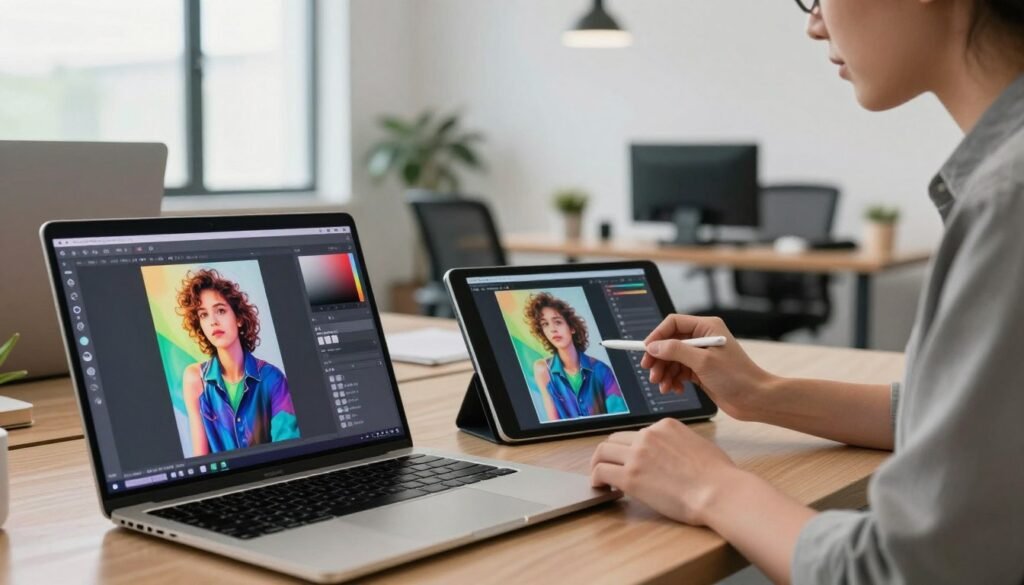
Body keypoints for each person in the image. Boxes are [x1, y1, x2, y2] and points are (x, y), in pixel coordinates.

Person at [590, 1, 1024, 583]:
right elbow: (971, 426)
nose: (813, 23)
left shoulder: (1008, 201)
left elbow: (901, 572)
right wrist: (761, 393)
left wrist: (709, 487)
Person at [177, 268, 300, 456]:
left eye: (220, 310)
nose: (213, 322)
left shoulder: (273, 379)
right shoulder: (195, 379)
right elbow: (201, 460)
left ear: (239, 318)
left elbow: (289, 452)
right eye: (204, 314)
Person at [524, 292, 627, 421]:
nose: (552, 329)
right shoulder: (542, 369)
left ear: (572, 328)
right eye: (545, 324)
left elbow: (619, 416)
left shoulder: (602, 370)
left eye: (558, 322)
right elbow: (553, 421)